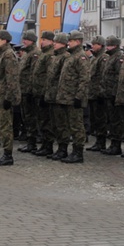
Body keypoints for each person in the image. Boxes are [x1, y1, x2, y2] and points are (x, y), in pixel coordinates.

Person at [54, 30, 90, 163]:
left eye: (71, 41)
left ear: (78, 41)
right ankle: (64, 149)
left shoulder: (81, 56)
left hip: (74, 98)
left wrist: (79, 97)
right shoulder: (70, 56)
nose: (68, 43)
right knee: (65, 124)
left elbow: (84, 78)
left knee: (76, 125)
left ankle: (78, 152)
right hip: (65, 97)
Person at [0, 30, 21, 166]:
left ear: (4, 40)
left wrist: (9, 98)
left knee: (5, 127)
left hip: (4, 98)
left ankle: (8, 155)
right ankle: (3, 153)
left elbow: (12, 79)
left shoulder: (8, 55)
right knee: (1, 126)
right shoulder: (2, 54)